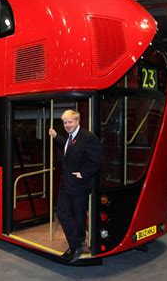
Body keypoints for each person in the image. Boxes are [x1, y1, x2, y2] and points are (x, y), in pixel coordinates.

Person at [49, 109, 103, 263]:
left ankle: (77, 245)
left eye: (70, 122)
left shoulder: (88, 137)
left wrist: (83, 174)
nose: (67, 125)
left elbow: (97, 160)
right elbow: (67, 145)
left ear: (78, 121)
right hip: (66, 183)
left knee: (79, 216)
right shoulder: (71, 137)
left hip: (79, 184)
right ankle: (77, 243)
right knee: (62, 211)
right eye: (65, 122)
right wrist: (55, 136)